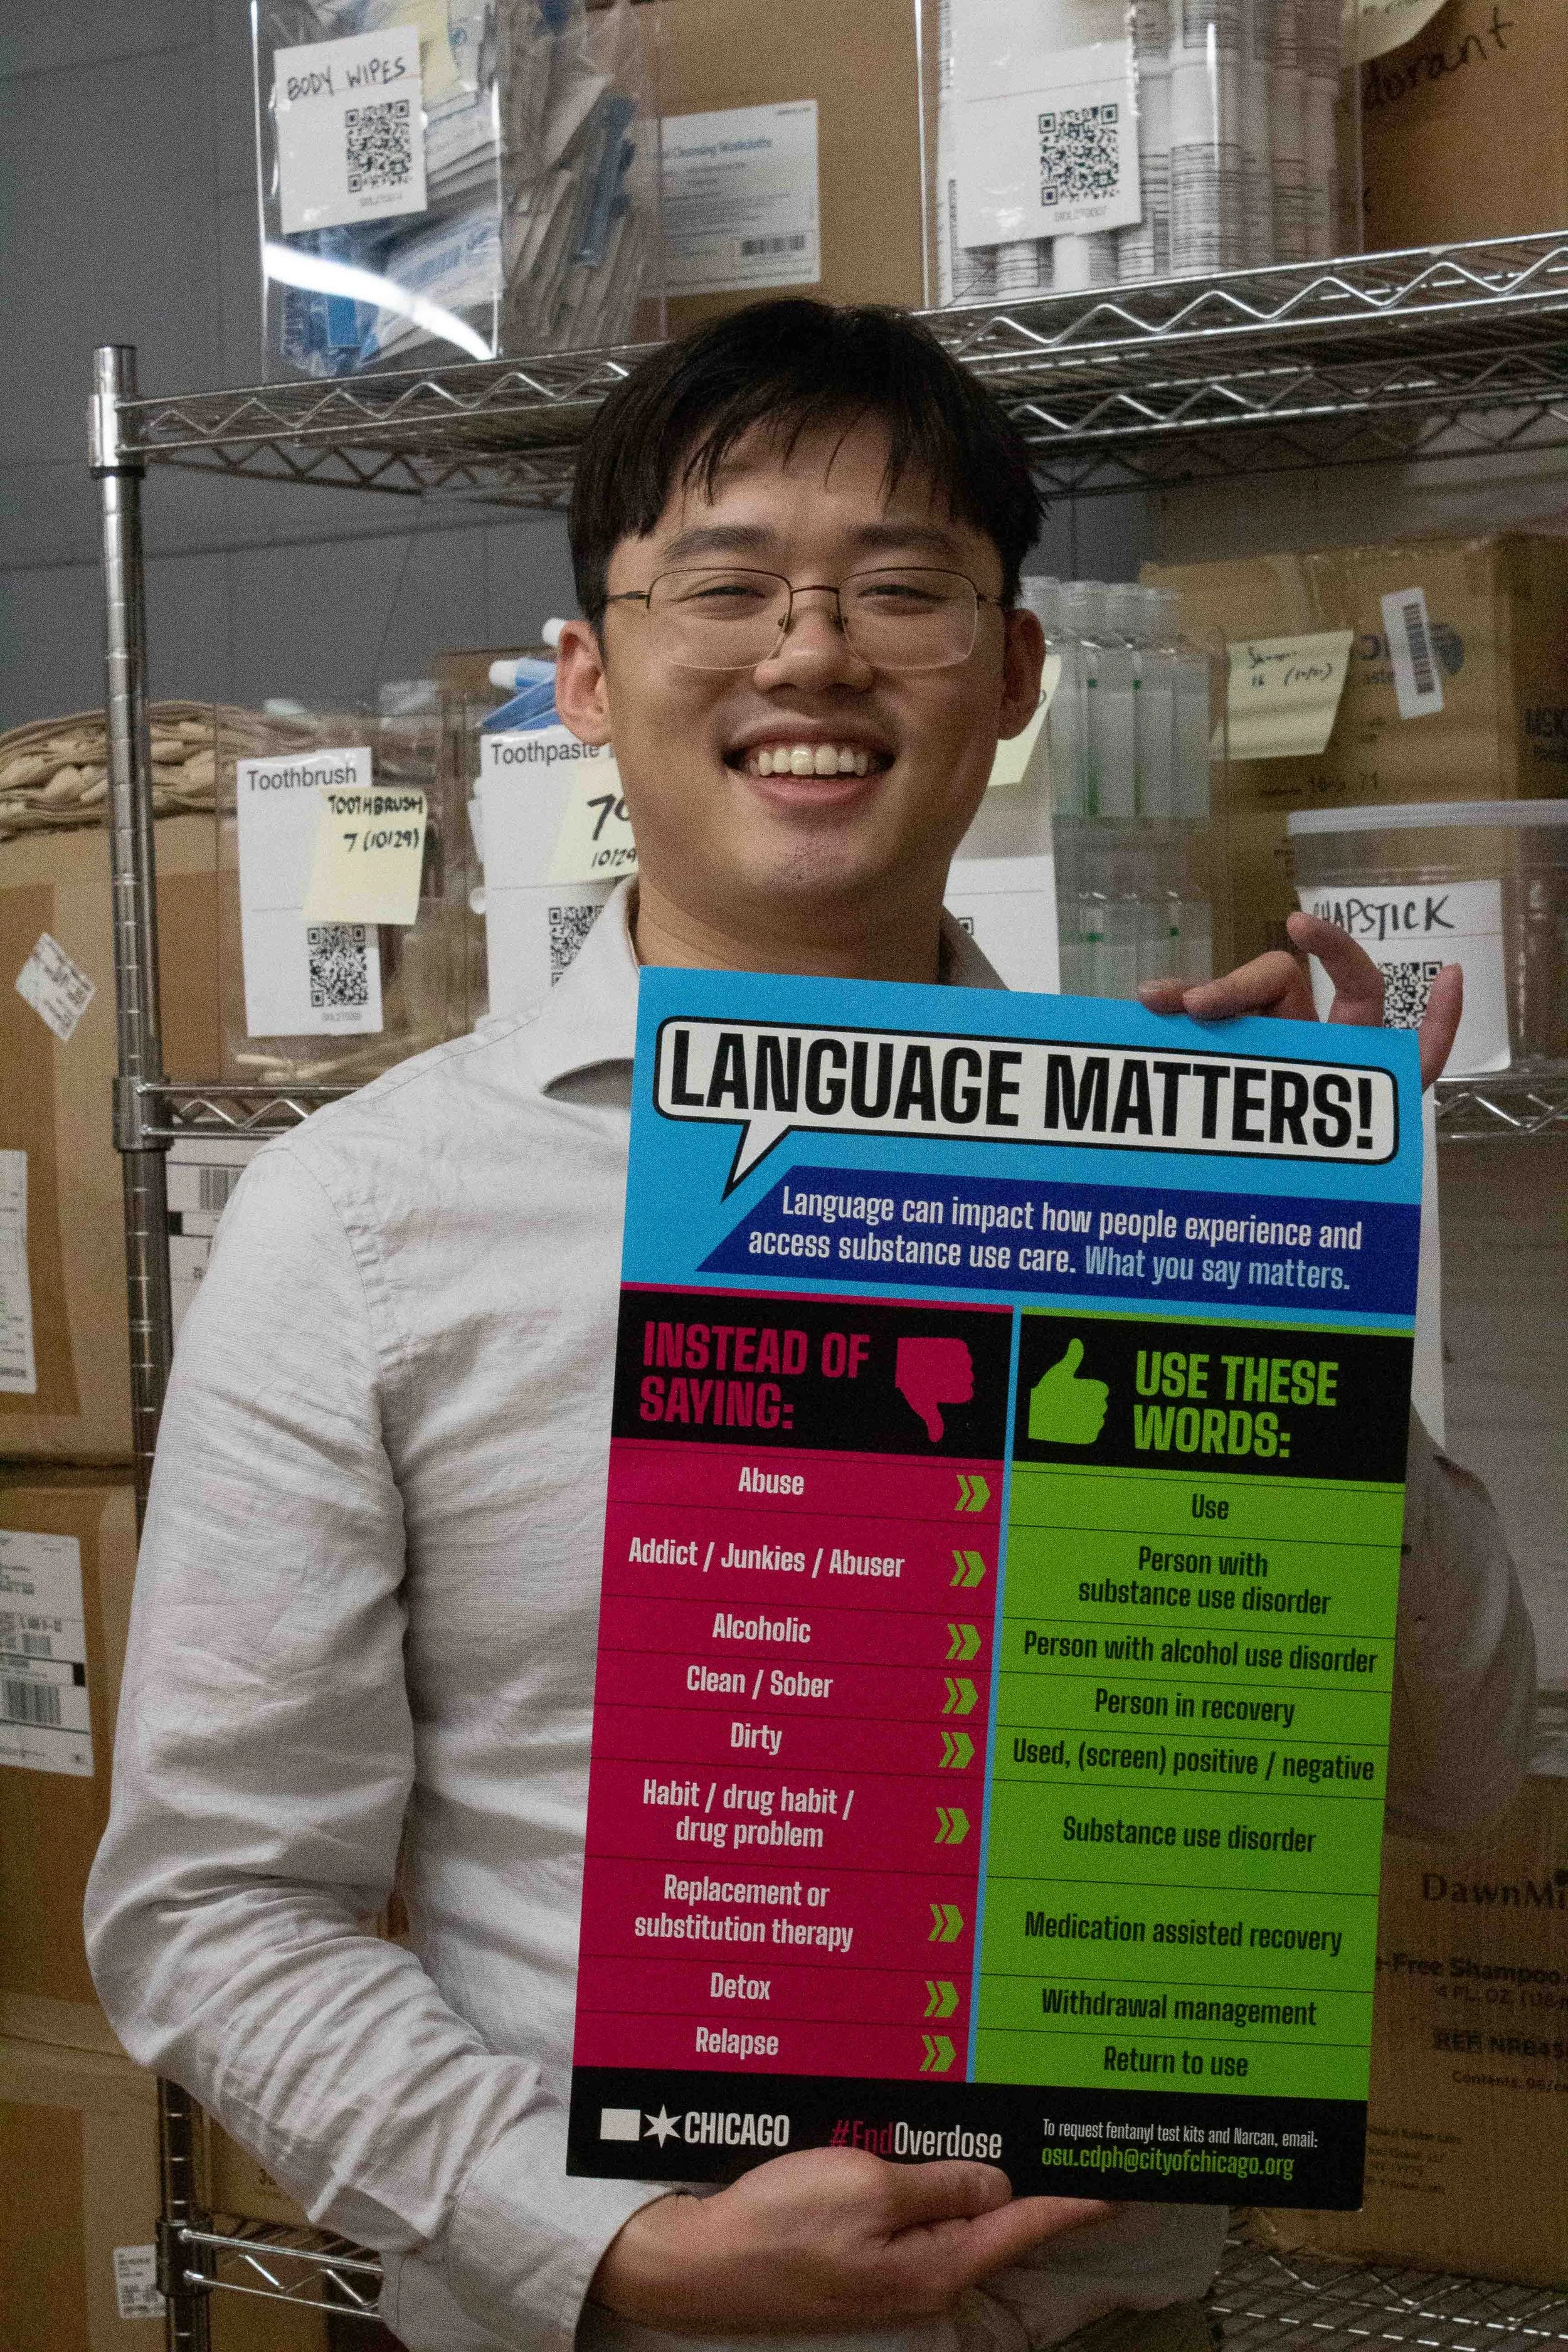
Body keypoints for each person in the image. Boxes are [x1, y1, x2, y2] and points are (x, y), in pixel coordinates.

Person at [85, 300, 1534, 2352]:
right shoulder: (366, 1214)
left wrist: (1291, 1262)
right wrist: (603, 2236)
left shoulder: (1169, 1176)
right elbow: (209, 1903)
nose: (810, 654)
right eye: (725, 583)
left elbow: (1455, 1771)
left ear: (1012, 673)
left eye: (899, 589)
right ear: (587, 676)